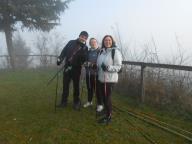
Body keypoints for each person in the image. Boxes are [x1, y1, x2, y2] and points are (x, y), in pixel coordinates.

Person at [56, 31, 88, 110]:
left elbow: (84, 59)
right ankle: (64, 102)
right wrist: (60, 59)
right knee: (65, 85)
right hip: (67, 67)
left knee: (76, 86)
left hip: (77, 69)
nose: (83, 38)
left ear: (86, 39)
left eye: (85, 37)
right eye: (82, 36)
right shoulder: (71, 42)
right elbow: (64, 51)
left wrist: (84, 59)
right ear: (79, 36)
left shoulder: (85, 48)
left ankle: (76, 102)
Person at [97, 35, 122, 124]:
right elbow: (99, 65)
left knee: (107, 98)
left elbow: (119, 67)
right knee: (104, 97)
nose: (107, 42)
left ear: (112, 42)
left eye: (109, 40)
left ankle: (109, 117)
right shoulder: (101, 52)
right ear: (103, 42)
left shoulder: (115, 52)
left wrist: (108, 67)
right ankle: (106, 112)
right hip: (101, 78)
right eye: (106, 40)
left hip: (109, 80)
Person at [83, 38, 103, 112]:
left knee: (97, 90)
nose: (93, 43)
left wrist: (92, 64)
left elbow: (101, 63)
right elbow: (85, 61)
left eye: (94, 42)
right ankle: (89, 101)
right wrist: (85, 64)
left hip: (97, 74)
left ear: (97, 43)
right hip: (89, 74)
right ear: (90, 44)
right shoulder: (88, 52)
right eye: (91, 42)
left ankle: (100, 104)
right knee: (89, 88)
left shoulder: (100, 51)